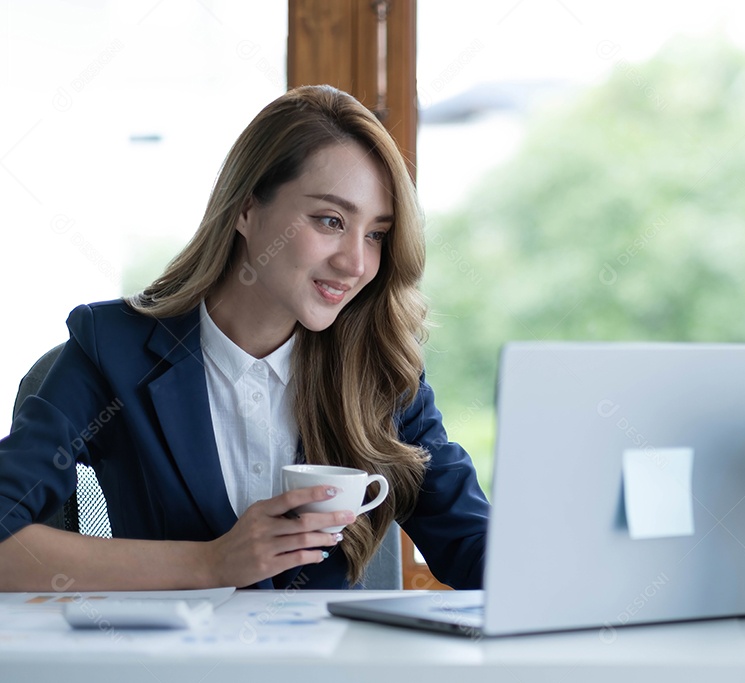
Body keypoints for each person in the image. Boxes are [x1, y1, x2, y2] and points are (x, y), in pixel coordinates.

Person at [0, 85, 489, 591]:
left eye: (376, 234)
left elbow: (473, 544)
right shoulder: (112, 349)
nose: (356, 263)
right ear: (246, 210)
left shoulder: (378, 367)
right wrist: (210, 564)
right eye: (330, 220)